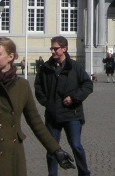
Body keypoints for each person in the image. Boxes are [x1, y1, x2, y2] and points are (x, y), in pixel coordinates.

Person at [0, 37, 75, 176]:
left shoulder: (22, 85)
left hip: (13, 154)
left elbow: (35, 122)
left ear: (11, 56)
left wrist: (56, 150)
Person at [34, 36, 93, 176]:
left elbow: (88, 85)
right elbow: (38, 87)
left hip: (72, 114)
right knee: (52, 148)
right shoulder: (45, 68)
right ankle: (52, 174)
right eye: (52, 49)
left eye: (56, 49)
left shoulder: (75, 67)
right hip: (52, 115)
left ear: (64, 49)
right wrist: (47, 103)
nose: (53, 51)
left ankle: (84, 173)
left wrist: (74, 98)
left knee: (76, 146)